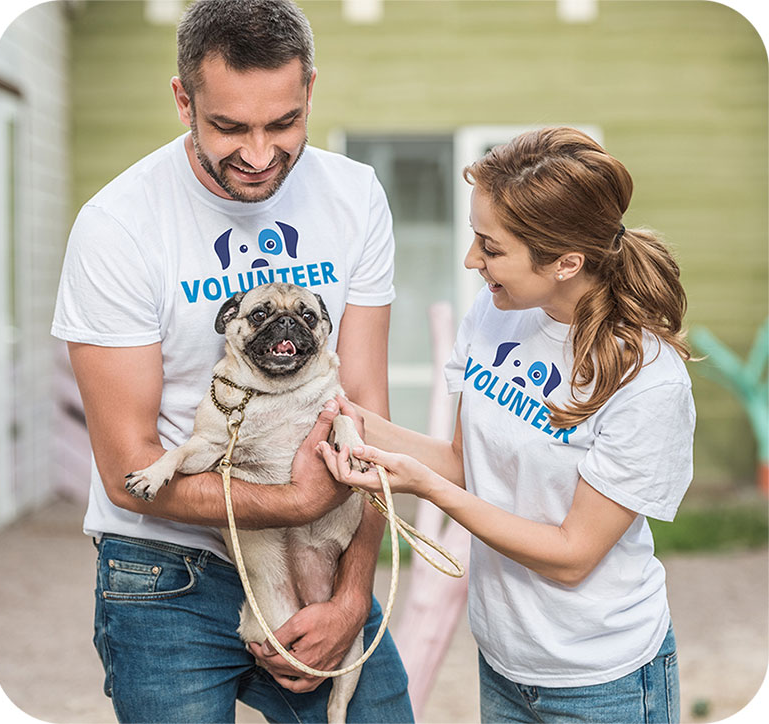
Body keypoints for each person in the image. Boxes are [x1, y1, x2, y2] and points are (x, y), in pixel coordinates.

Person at [50, 1, 413, 722]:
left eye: (283, 123)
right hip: (166, 572)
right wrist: (297, 501)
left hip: (320, 554)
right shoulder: (118, 226)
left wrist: (352, 593)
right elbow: (128, 472)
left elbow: (368, 413)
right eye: (229, 127)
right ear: (183, 100)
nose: (257, 153)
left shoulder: (354, 196)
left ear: (310, 90)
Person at [320, 126, 695, 723]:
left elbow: (572, 555)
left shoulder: (646, 380)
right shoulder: (496, 314)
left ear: (566, 263)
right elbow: (463, 463)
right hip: (502, 663)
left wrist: (425, 487)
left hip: (605, 682)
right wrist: (337, 415)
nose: (472, 261)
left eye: (491, 249)